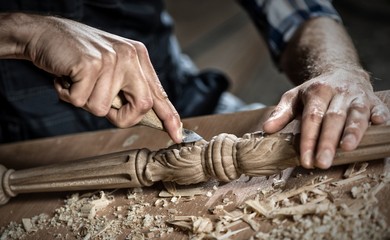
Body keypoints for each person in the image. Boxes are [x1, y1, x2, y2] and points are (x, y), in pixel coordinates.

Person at [0, 0, 389, 170]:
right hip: (28, 142)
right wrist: (20, 33)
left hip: (180, 102)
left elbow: (299, 12)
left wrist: (337, 68)